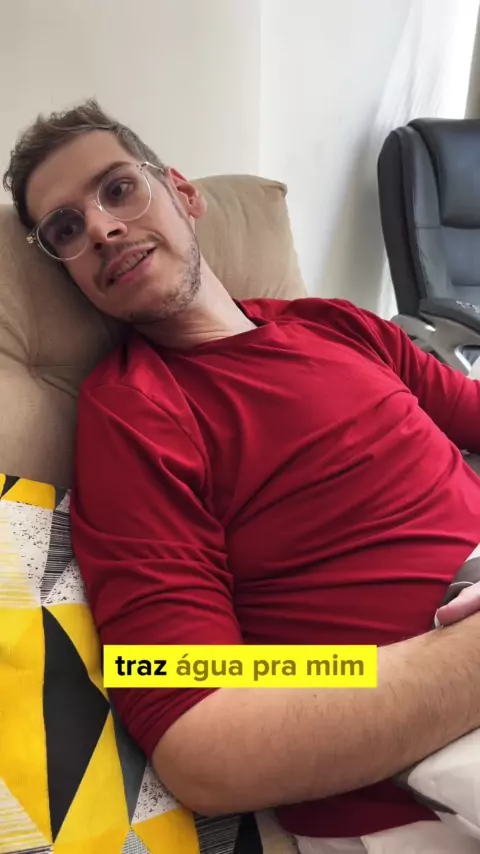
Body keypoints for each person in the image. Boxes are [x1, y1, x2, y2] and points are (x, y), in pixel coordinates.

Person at [4, 100, 480, 854]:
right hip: (427, 779)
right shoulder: (134, 415)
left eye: (118, 189)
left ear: (183, 195)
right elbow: (198, 735)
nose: (100, 229)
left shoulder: (337, 324)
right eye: (66, 229)